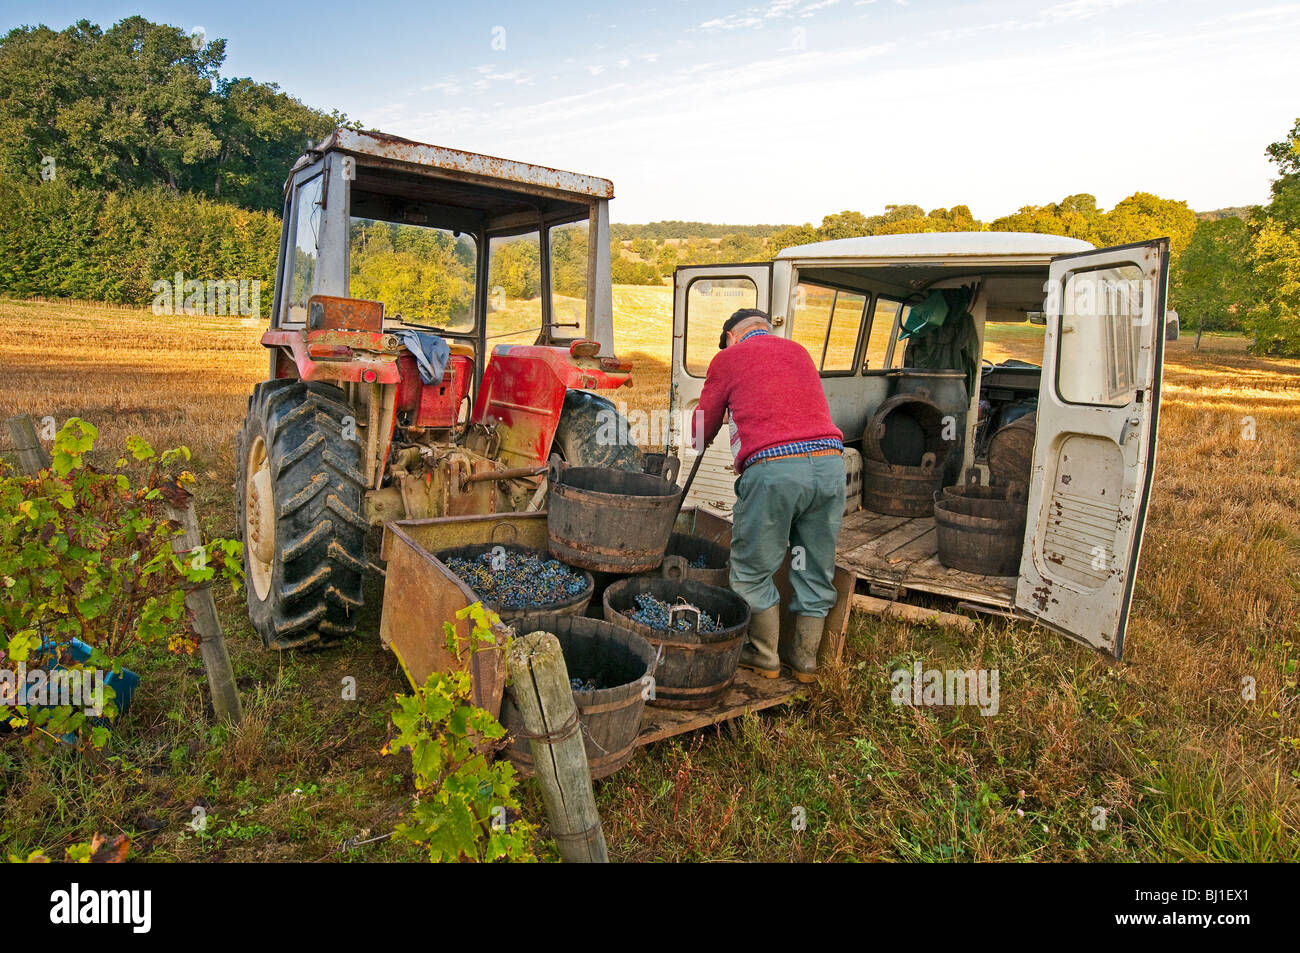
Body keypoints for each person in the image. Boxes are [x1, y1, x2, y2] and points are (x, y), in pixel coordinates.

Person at [691, 308, 845, 682]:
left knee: (752, 568)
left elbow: (700, 425)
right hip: (829, 467)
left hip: (775, 470)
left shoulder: (728, 358)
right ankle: (806, 662)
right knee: (812, 566)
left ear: (730, 335)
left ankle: (763, 656)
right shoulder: (798, 352)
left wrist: (700, 435)